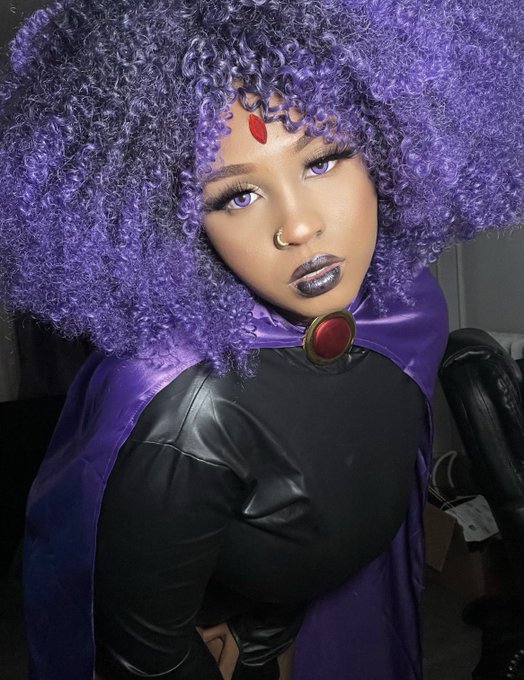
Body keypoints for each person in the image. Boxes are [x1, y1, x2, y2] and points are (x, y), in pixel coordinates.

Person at [0, 1, 522, 678]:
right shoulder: (188, 413)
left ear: (389, 146)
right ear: (179, 222)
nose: (298, 227)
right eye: (237, 197)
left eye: (323, 160)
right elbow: (144, 656)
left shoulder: (409, 301)